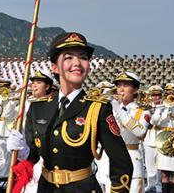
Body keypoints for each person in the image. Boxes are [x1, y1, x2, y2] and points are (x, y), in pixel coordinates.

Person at [8, 32, 133, 192]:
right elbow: (33, 154)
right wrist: (22, 151)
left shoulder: (97, 109)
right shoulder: (37, 108)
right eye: (68, 58)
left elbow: (121, 163)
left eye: (83, 57)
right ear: (55, 67)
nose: (77, 63)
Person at [112, 71, 151, 193]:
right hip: (114, 158)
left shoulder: (142, 112)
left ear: (135, 90)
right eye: (119, 86)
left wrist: (118, 109)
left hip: (132, 157)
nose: (121, 90)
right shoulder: (112, 109)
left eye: (125, 85)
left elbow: (140, 131)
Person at [143, 85, 163, 193]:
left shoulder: (165, 107)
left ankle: (158, 186)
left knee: (159, 166)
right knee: (149, 165)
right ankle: (150, 185)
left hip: (160, 139)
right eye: (153, 95)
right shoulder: (146, 108)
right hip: (149, 139)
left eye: (157, 95)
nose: (155, 98)